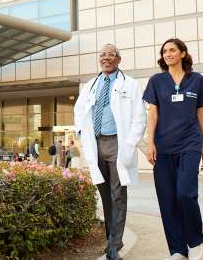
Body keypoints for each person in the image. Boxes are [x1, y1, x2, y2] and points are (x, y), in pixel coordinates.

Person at [143, 38, 203, 260]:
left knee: (185, 193)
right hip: (163, 147)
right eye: (164, 51)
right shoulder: (156, 81)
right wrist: (150, 143)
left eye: (172, 50)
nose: (167, 54)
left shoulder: (197, 80)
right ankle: (177, 250)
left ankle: (194, 241)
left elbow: (202, 115)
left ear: (183, 53)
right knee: (167, 199)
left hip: (190, 145)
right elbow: (153, 113)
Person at [74, 43, 147, 260]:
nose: (106, 58)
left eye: (111, 54)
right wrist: (81, 132)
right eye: (102, 55)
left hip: (117, 143)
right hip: (95, 143)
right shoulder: (90, 85)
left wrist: (129, 145)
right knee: (105, 194)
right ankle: (112, 239)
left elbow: (139, 118)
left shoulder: (130, 84)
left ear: (118, 59)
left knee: (117, 195)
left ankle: (114, 246)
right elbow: (79, 111)